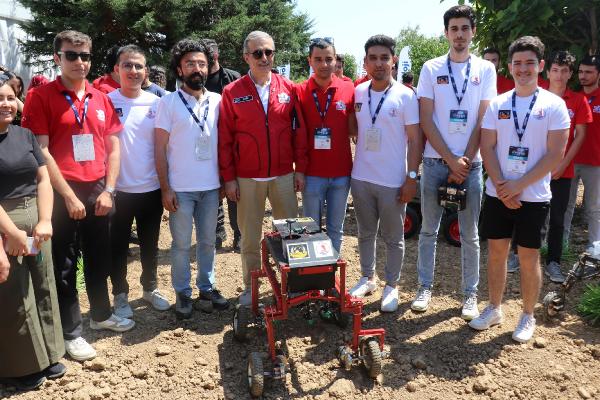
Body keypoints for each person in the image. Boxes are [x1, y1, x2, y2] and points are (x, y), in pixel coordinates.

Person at [21, 30, 134, 362]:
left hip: (99, 189)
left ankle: (101, 315)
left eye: (85, 56)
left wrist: (110, 190)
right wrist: (68, 197)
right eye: (72, 55)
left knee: (100, 255)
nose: (80, 62)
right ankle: (71, 332)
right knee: (65, 264)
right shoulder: (41, 97)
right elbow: (41, 151)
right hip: (60, 192)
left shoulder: (101, 98)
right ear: (57, 58)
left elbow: (113, 149)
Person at [472, 36, 570, 343]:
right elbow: (486, 146)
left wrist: (517, 186)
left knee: (529, 257)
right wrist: (502, 185)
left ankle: (528, 315)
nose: (523, 69)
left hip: (533, 196)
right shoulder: (498, 104)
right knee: (496, 252)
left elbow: (555, 154)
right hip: (497, 193)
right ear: (509, 66)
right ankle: (494, 308)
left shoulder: (554, 105)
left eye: (529, 63)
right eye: (517, 63)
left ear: (540, 66)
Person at [413, 5, 496, 320]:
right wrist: (450, 159)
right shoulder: (431, 68)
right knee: (428, 230)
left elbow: (482, 119)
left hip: (471, 167)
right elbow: (425, 118)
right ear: (446, 33)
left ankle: (470, 295)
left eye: (465, 28)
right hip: (435, 163)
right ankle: (424, 287)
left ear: (472, 32)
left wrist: (464, 161)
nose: (459, 35)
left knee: (470, 233)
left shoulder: (485, 70)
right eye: (454, 29)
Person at [219, 31, 307, 306]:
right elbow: (225, 139)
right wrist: (229, 178)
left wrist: (300, 169)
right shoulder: (232, 92)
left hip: (283, 175)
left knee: (291, 234)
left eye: (269, 52)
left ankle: (293, 285)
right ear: (247, 57)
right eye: (258, 53)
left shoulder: (288, 88)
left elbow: (299, 133)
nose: (264, 58)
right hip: (247, 179)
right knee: (249, 238)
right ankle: (251, 288)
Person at [0, 74, 66, 391]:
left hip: (36, 219)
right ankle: (18, 367)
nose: (5, 103)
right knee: (14, 295)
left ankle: (49, 354)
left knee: (43, 284)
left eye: (10, 97)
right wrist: (11, 231)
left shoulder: (25, 135)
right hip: (4, 224)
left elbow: (43, 179)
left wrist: (45, 220)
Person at [155, 38, 228, 319]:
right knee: (182, 245)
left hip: (211, 188)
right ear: (179, 69)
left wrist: (224, 180)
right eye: (190, 64)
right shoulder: (168, 103)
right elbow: (159, 149)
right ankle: (183, 292)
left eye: (201, 63)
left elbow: (224, 144)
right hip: (181, 190)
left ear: (208, 68)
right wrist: (166, 188)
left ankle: (206, 287)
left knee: (208, 242)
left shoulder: (219, 101)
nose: (197, 68)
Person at [348, 35, 421, 312]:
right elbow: (354, 129)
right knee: (365, 233)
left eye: (384, 58)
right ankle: (368, 277)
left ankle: (392, 285)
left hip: (392, 181)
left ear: (393, 61)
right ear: (365, 62)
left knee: (393, 237)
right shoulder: (358, 92)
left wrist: (411, 177)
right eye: (373, 58)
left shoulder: (405, 95)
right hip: (362, 177)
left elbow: (415, 140)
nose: (378, 63)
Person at [108, 45, 171, 319]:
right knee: (118, 246)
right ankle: (120, 295)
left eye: (138, 66)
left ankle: (150, 288)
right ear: (116, 70)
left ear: (146, 72)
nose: (133, 71)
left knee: (150, 243)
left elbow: (165, 147)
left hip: (150, 189)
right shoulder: (106, 101)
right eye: (127, 65)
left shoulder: (158, 103)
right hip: (118, 190)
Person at [296, 38, 354, 254]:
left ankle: (330, 278)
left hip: (341, 174)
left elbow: (354, 127)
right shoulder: (299, 91)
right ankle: (313, 276)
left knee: (335, 229)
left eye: (328, 59)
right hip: (312, 174)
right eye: (318, 59)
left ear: (335, 60)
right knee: (310, 229)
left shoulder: (348, 89)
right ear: (309, 61)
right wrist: (299, 170)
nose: (324, 64)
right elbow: (297, 133)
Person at [544, 51, 592, 283]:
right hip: (534, 168)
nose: (559, 75)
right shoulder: (536, 95)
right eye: (555, 70)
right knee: (526, 212)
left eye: (564, 71)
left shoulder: (578, 100)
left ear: (570, 74)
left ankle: (553, 262)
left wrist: (563, 165)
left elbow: (580, 136)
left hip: (564, 170)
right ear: (547, 72)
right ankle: (517, 254)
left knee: (557, 218)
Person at [201, 38, 242, 252]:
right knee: (213, 190)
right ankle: (216, 233)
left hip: (232, 143)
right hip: (206, 143)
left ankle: (239, 234)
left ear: (217, 55)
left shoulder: (233, 78)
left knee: (234, 191)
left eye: (210, 54)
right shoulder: (198, 80)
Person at [564, 55, 600, 250]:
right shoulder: (574, 98)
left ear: (598, 74)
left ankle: (595, 249)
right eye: (581, 72)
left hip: (595, 162)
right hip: (570, 160)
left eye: (589, 72)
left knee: (594, 208)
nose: (583, 76)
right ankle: (562, 246)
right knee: (566, 206)